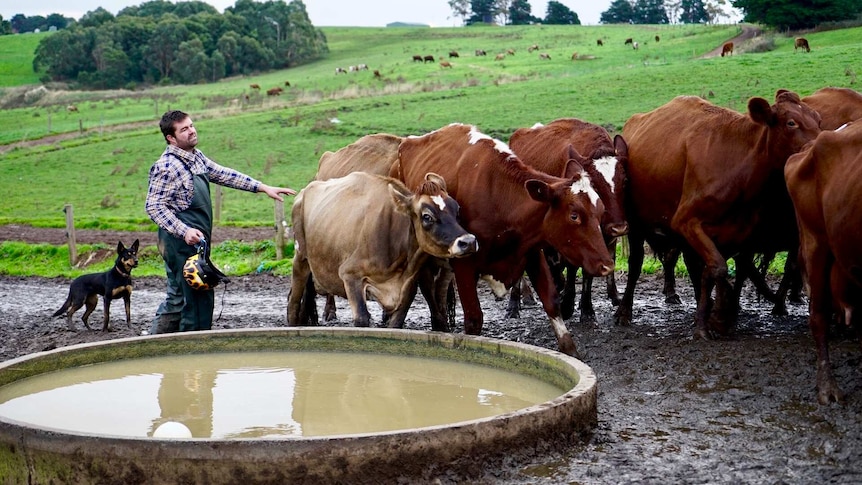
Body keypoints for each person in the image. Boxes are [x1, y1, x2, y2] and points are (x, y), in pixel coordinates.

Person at [145, 110, 296, 334]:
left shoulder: (197, 158)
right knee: (197, 295)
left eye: (191, 125)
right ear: (171, 138)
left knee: (178, 298)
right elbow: (154, 206)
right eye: (184, 129)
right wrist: (184, 230)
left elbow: (225, 174)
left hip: (196, 243)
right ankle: (193, 352)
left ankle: (155, 349)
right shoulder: (167, 166)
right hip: (178, 243)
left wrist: (262, 187)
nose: (192, 131)